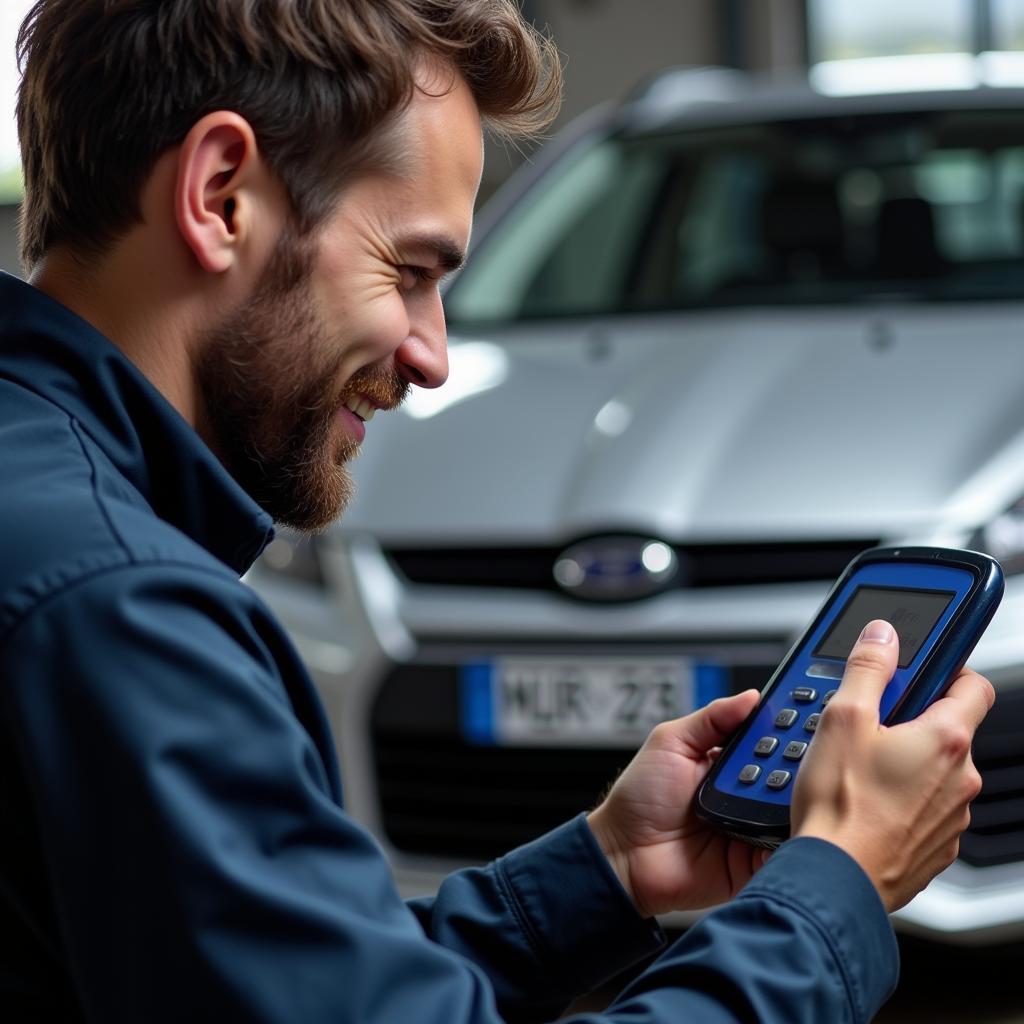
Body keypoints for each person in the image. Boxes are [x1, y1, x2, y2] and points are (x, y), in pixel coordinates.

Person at [0, 1, 993, 1021]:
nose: (433, 355)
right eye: (411, 270)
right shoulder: (124, 612)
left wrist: (606, 870)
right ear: (219, 195)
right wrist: (834, 887)